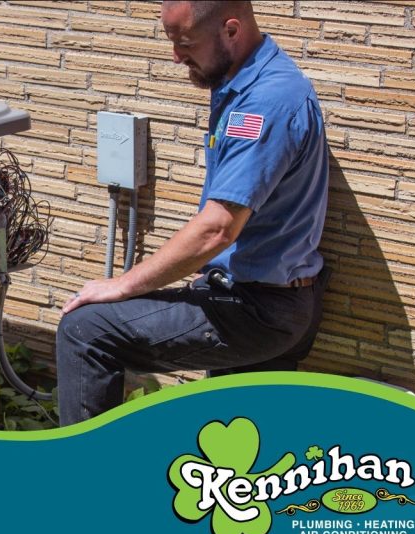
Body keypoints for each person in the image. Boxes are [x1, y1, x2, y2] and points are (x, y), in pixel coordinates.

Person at [56, 0, 330, 425]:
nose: (176, 55)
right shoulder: (250, 82)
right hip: (265, 296)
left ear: (232, 31)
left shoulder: (265, 103)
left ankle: (85, 483)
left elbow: (217, 229)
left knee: (86, 330)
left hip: (259, 308)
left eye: (185, 43)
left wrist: (124, 284)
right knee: (240, 433)